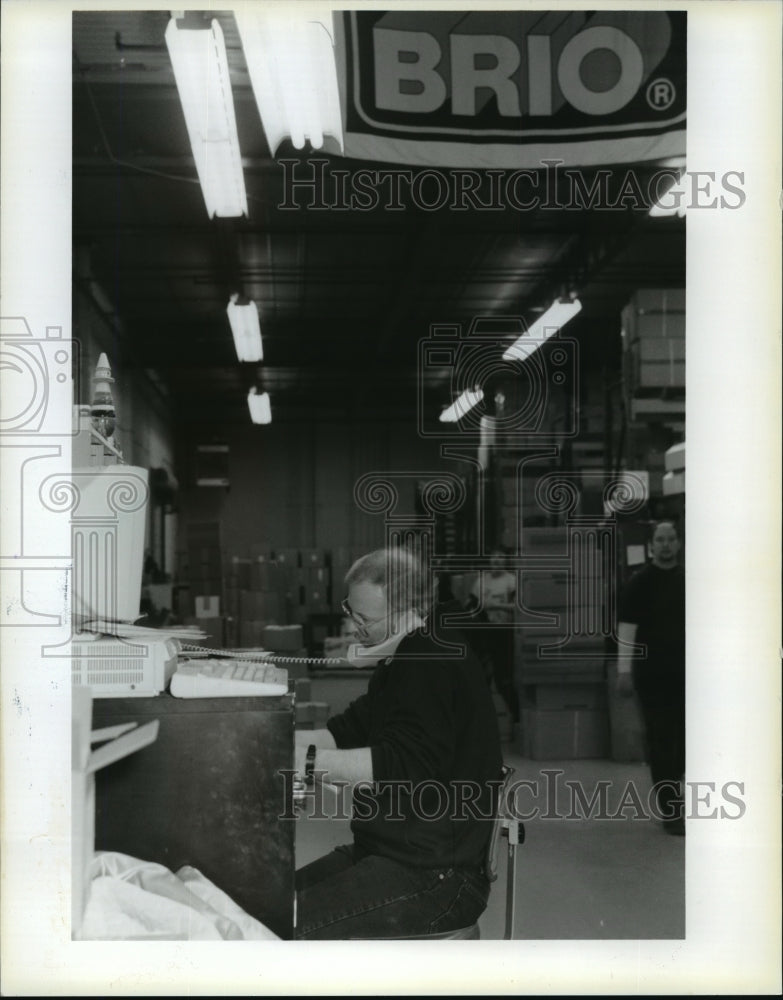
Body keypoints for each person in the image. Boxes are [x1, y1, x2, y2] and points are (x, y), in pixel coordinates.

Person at [293, 547, 504, 939]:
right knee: (273, 906)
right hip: (392, 851)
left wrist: (305, 762)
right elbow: (344, 731)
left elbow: (399, 767)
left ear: (407, 611)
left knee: (290, 928)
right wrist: (271, 741)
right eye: (350, 610)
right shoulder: (403, 657)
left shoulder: (431, 663)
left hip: (436, 876)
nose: (354, 626)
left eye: (364, 618)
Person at [616, 521, 685, 835]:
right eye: (660, 539)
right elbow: (627, 630)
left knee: (685, 741)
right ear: (651, 546)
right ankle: (671, 810)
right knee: (661, 740)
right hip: (653, 676)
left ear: (679, 543)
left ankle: (675, 792)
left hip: (689, 675)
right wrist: (623, 671)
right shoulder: (639, 583)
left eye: (671, 539)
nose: (666, 544)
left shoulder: (691, 580)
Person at [464, 551, 519, 727]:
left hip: (504, 632)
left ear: (505, 560)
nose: (496, 559)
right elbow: (470, 604)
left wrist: (496, 605)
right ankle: (480, 724)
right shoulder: (481, 581)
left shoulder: (512, 581)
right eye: (493, 556)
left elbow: (519, 607)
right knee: (481, 677)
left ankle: (517, 719)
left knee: (504, 678)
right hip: (484, 634)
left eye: (500, 556)